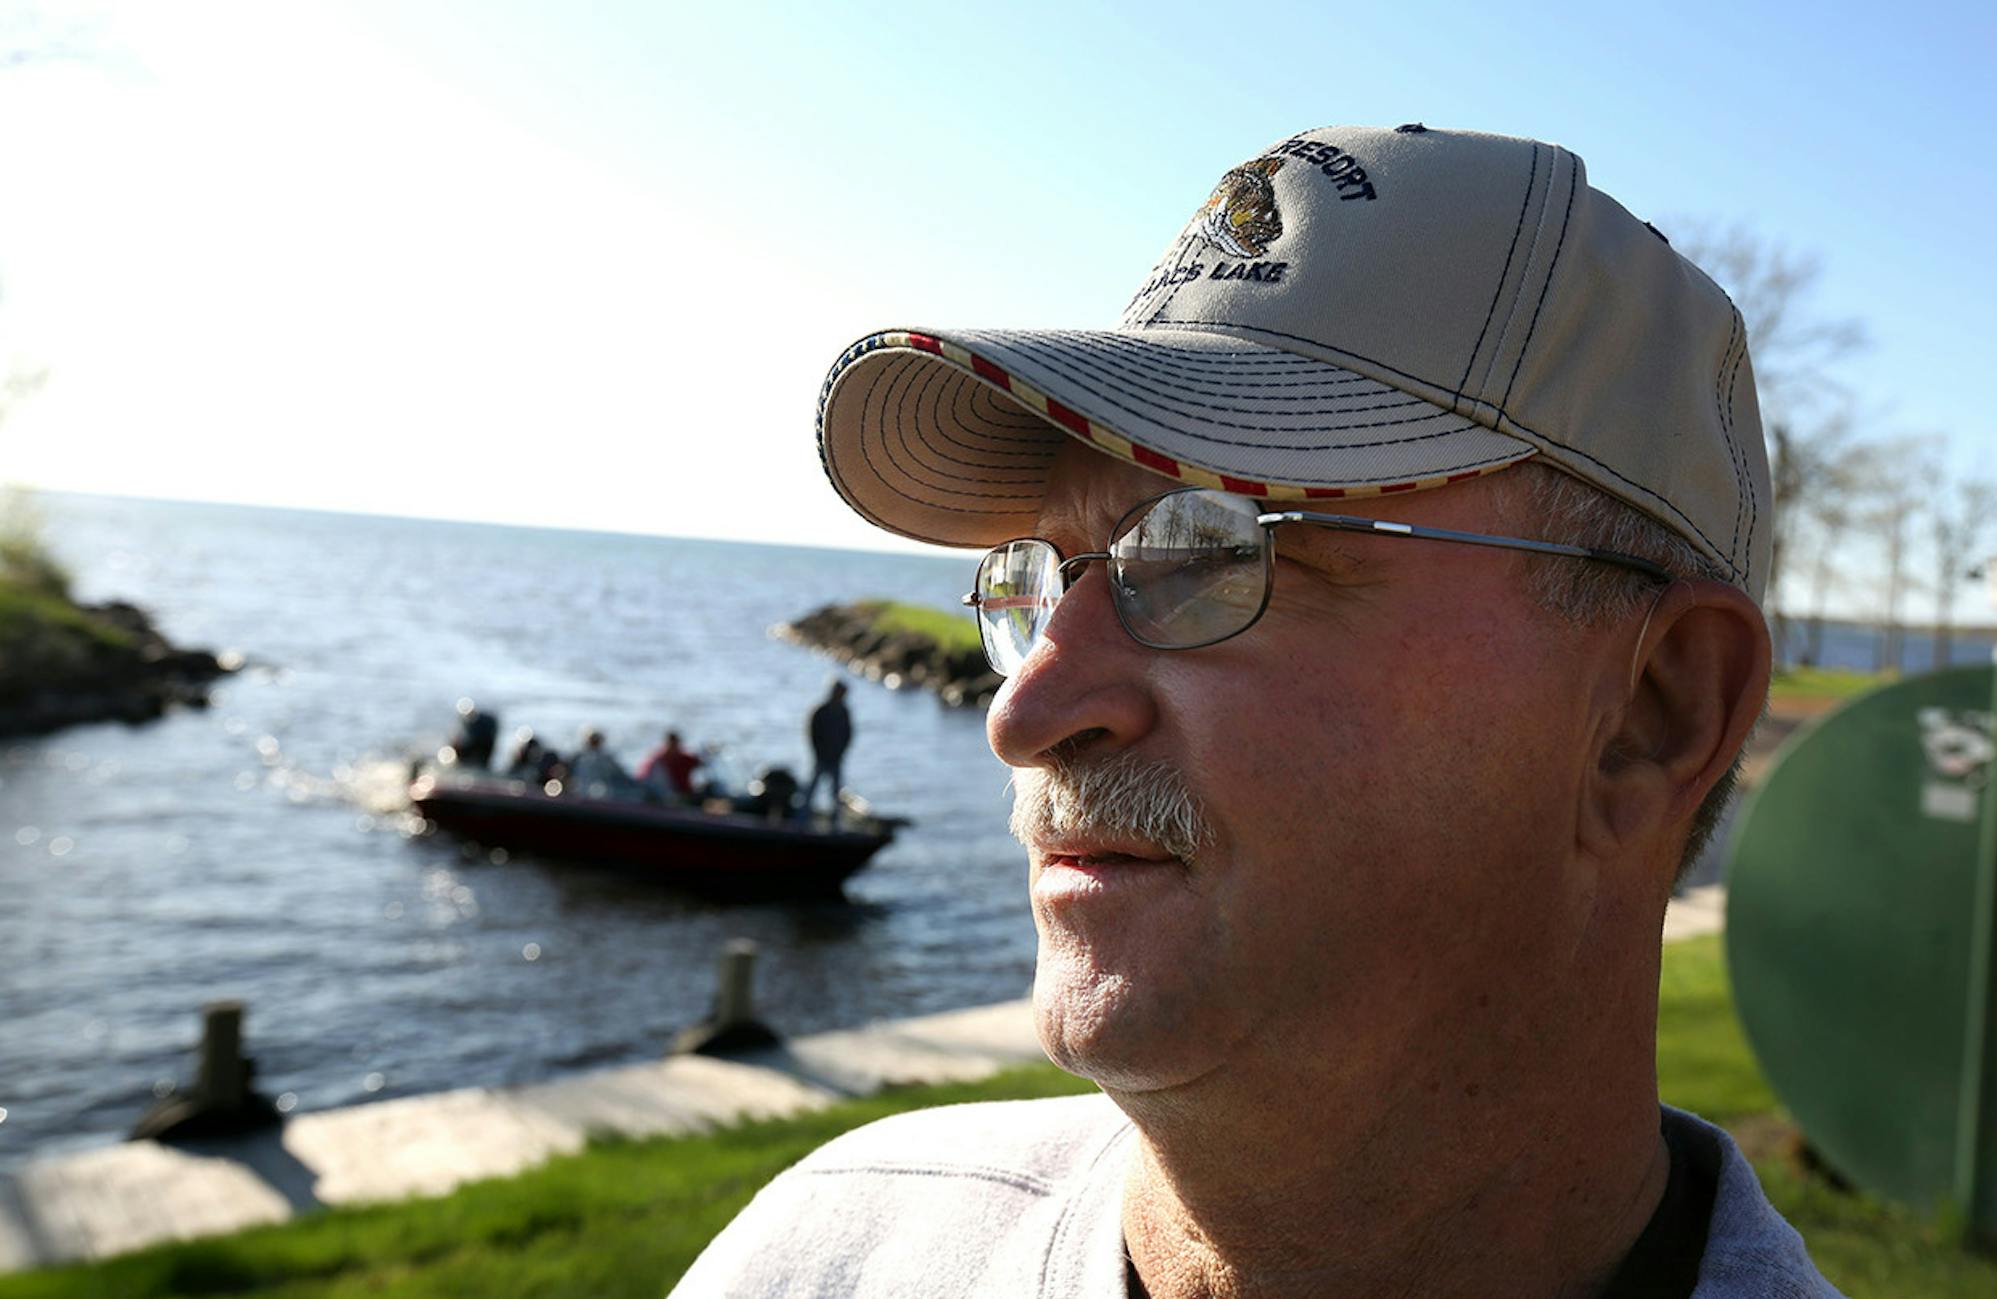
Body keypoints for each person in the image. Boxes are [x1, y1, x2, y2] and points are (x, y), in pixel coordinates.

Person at [674, 126, 1834, 1297]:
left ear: (1652, 715)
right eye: (1041, 577)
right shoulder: (824, 1254)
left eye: (1206, 553)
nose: (1024, 713)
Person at [805, 680, 852, 816]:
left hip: (836, 758)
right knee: (811, 789)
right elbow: (813, 733)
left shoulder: (844, 712)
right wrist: (818, 753)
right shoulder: (821, 711)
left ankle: (835, 823)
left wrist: (841, 752)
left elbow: (848, 734)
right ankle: (801, 820)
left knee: (835, 792)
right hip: (821, 757)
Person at [637, 730, 704, 803]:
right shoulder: (658, 760)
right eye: (671, 744)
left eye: (675, 744)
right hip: (669, 797)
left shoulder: (685, 758)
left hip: (684, 793)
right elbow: (643, 777)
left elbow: (701, 762)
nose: (673, 748)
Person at [566, 727, 633, 800]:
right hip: (600, 795)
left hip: (582, 794)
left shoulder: (578, 757)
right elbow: (621, 774)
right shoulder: (605, 758)